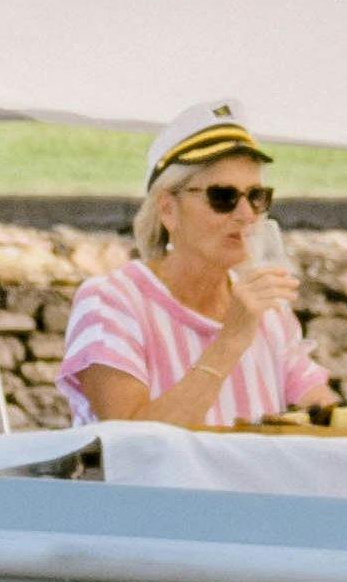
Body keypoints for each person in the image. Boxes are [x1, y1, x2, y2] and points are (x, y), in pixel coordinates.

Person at [60, 117, 330, 430]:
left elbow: (324, 416)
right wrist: (231, 340)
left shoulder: (268, 310)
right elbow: (132, 443)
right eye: (223, 197)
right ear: (168, 210)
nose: (246, 215)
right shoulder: (111, 301)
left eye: (257, 197)